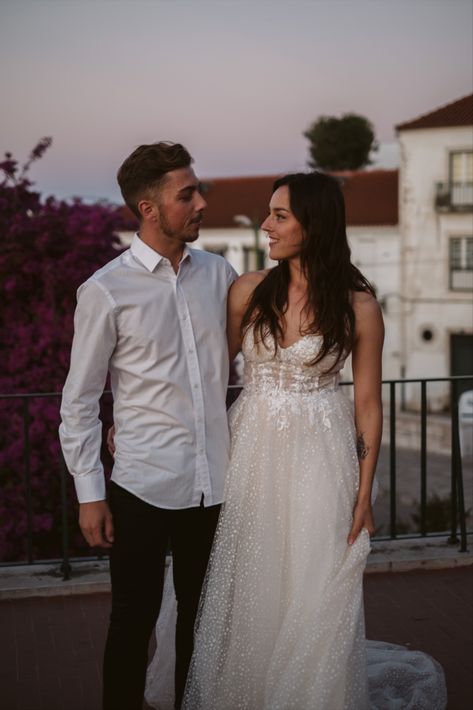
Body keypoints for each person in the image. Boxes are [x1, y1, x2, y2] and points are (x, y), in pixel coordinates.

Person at [145, 171, 446, 709]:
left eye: (280, 215)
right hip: (249, 451)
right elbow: (207, 380)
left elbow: (369, 406)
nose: (266, 225)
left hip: (322, 457)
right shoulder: (248, 290)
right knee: (243, 585)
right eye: (269, 214)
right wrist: (147, 420)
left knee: (313, 588)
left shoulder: (360, 308)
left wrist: (363, 494)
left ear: (316, 223)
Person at [59, 141, 237, 710]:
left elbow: (239, 371)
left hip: (217, 485)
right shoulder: (106, 290)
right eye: (187, 194)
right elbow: (80, 400)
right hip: (142, 484)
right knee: (131, 624)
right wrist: (90, 494)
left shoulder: (221, 275)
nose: (201, 202)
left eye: (197, 188)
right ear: (149, 208)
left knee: (202, 626)